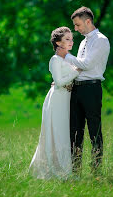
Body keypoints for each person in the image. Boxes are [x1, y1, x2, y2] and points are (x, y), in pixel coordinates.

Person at [57, 7, 110, 175]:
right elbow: (77, 67)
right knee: (74, 131)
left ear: (88, 21)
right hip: (77, 89)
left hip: (92, 89)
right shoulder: (82, 42)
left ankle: (96, 170)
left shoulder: (101, 40)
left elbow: (86, 65)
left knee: (94, 130)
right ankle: (75, 171)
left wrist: (65, 54)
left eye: (78, 24)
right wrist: (63, 79)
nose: (76, 29)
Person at [29, 27, 81, 179]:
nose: (71, 41)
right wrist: (76, 71)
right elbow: (58, 82)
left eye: (71, 39)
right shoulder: (55, 60)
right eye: (67, 39)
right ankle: (61, 171)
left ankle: (66, 169)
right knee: (58, 132)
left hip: (67, 98)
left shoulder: (69, 58)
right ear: (58, 43)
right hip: (58, 98)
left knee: (65, 132)